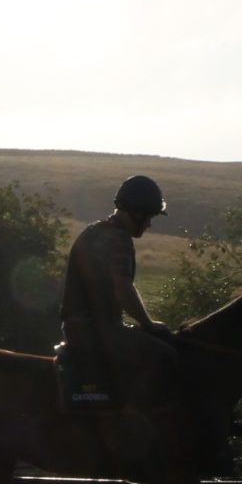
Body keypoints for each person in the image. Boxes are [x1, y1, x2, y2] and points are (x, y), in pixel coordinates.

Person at [57, 175, 176, 409]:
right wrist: (148, 324)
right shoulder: (117, 239)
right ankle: (136, 421)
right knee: (164, 356)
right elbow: (123, 289)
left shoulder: (95, 231)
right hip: (95, 329)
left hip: (81, 325)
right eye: (149, 216)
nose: (150, 224)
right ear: (138, 213)